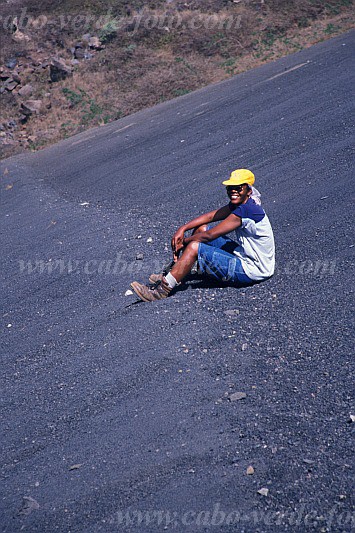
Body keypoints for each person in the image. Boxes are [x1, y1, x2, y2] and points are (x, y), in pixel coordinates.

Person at [130, 169, 275, 302]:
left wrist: (184, 242)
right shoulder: (244, 203)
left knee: (194, 246)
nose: (233, 191)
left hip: (254, 270)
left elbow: (210, 236)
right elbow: (211, 216)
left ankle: (161, 290)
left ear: (248, 190)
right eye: (230, 188)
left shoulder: (246, 210)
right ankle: (176, 273)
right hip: (247, 257)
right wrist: (183, 228)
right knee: (201, 229)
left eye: (238, 188)